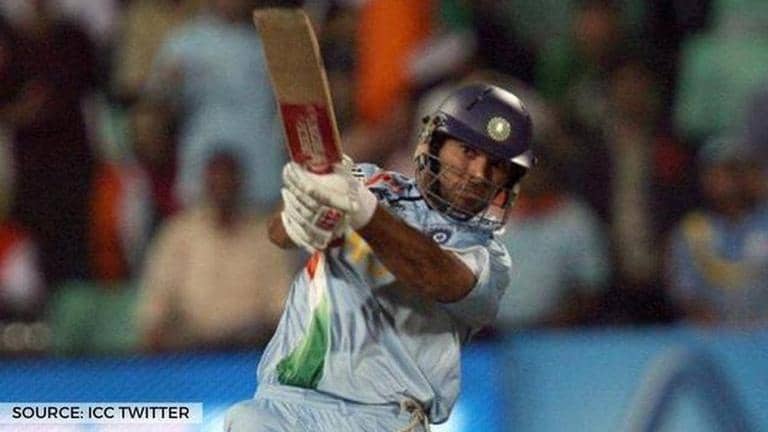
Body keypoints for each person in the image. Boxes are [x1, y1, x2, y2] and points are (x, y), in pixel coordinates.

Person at [225, 84, 534, 431]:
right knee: (245, 419)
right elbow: (278, 235)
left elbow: (434, 275)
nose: (479, 174)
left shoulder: (490, 257)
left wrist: (360, 208)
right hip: (282, 405)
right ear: (434, 142)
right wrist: (302, 208)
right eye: (468, 152)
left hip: (383, 419)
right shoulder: (369, 180)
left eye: (496, 166)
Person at [136, 149, 296, 352]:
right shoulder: (178, 234)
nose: (222, 191)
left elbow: (282, 310)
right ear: (206, 186)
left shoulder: (266, 237)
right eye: (216, 184)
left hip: (249, 351)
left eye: (228, 183)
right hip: (189, 353)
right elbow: (154, 310)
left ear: (240, 185)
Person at [665, 137, 768, 327]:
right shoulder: (691, 231)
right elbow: (685, 292)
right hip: (713, 335)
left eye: (734, 171)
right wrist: (721, 331)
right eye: (715, 173)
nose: (727, 181)